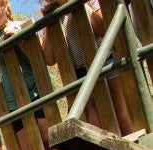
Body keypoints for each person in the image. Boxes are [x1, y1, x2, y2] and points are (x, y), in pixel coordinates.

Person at [0, 0, 56, 150]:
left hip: (34, 93)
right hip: (12, 104)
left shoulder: (21, 26)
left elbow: (39, 60)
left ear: (4, 5)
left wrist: (18, 39)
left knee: (49, 141)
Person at [40, 0, 132, 135]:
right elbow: (49, 58)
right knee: (94, 126)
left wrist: (80, 5)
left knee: (121, 117)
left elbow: (103, 27)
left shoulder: (91, 2)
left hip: (105, 64)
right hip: (79, 74)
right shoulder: (55, 14)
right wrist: (49, 23)